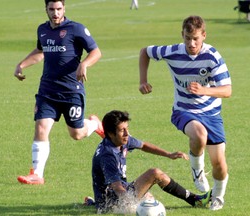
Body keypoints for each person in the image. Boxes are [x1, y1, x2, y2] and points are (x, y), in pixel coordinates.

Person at [138, 15, 231, 211]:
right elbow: (145, 52)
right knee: (199, 134)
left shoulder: (213, 56)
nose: (191, 43)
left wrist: (204, 90)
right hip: (184, 110)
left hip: (212, 114)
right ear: (182, 35)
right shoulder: (172, 51)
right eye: (187, 38)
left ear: (204, 35)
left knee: (220, 165)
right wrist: (143, 80)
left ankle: (218, 196)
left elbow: (227, 90)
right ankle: (197, 170)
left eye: (196, 38)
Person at [14, 0, 104, 185]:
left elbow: (96, 52)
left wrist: (84, 64)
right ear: (46, 10)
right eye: (51, 9)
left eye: (59, 9)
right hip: (47, 90)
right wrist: (21, 65)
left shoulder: (76, 29)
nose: (55, 13)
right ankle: (37, 174)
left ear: (64, 9)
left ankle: (94, 124)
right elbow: (41, 51)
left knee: (76, 134)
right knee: (41, 128)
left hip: (71, 91)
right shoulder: (42, 29)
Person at [90, 110, 211, 214]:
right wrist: (129, 204)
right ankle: (195, 200)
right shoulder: (108, 155)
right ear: (111, 134)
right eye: (122, 130)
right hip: (109, 204)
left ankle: (194, 200)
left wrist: (168, 154)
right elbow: (116, 186)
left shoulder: (121, 140)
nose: (127, 134)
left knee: (149, 198)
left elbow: (144, 145)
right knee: (154, 174)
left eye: (127, 128)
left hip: (116, 192)